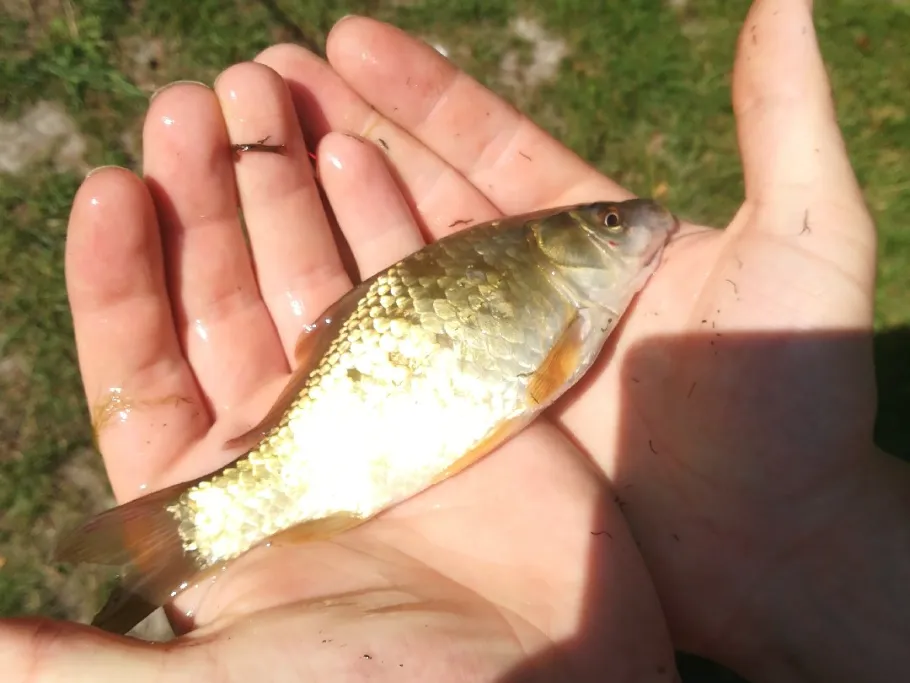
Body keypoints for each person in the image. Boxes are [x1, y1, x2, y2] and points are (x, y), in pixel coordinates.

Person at [3, 1, 907, 681]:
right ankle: (205, 519)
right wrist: (822, 551)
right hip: (355, 423)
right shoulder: (552, 289)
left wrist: (817, 537)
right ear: (560, 247)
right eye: (604, 222)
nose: (638, 221)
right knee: (238, 502)